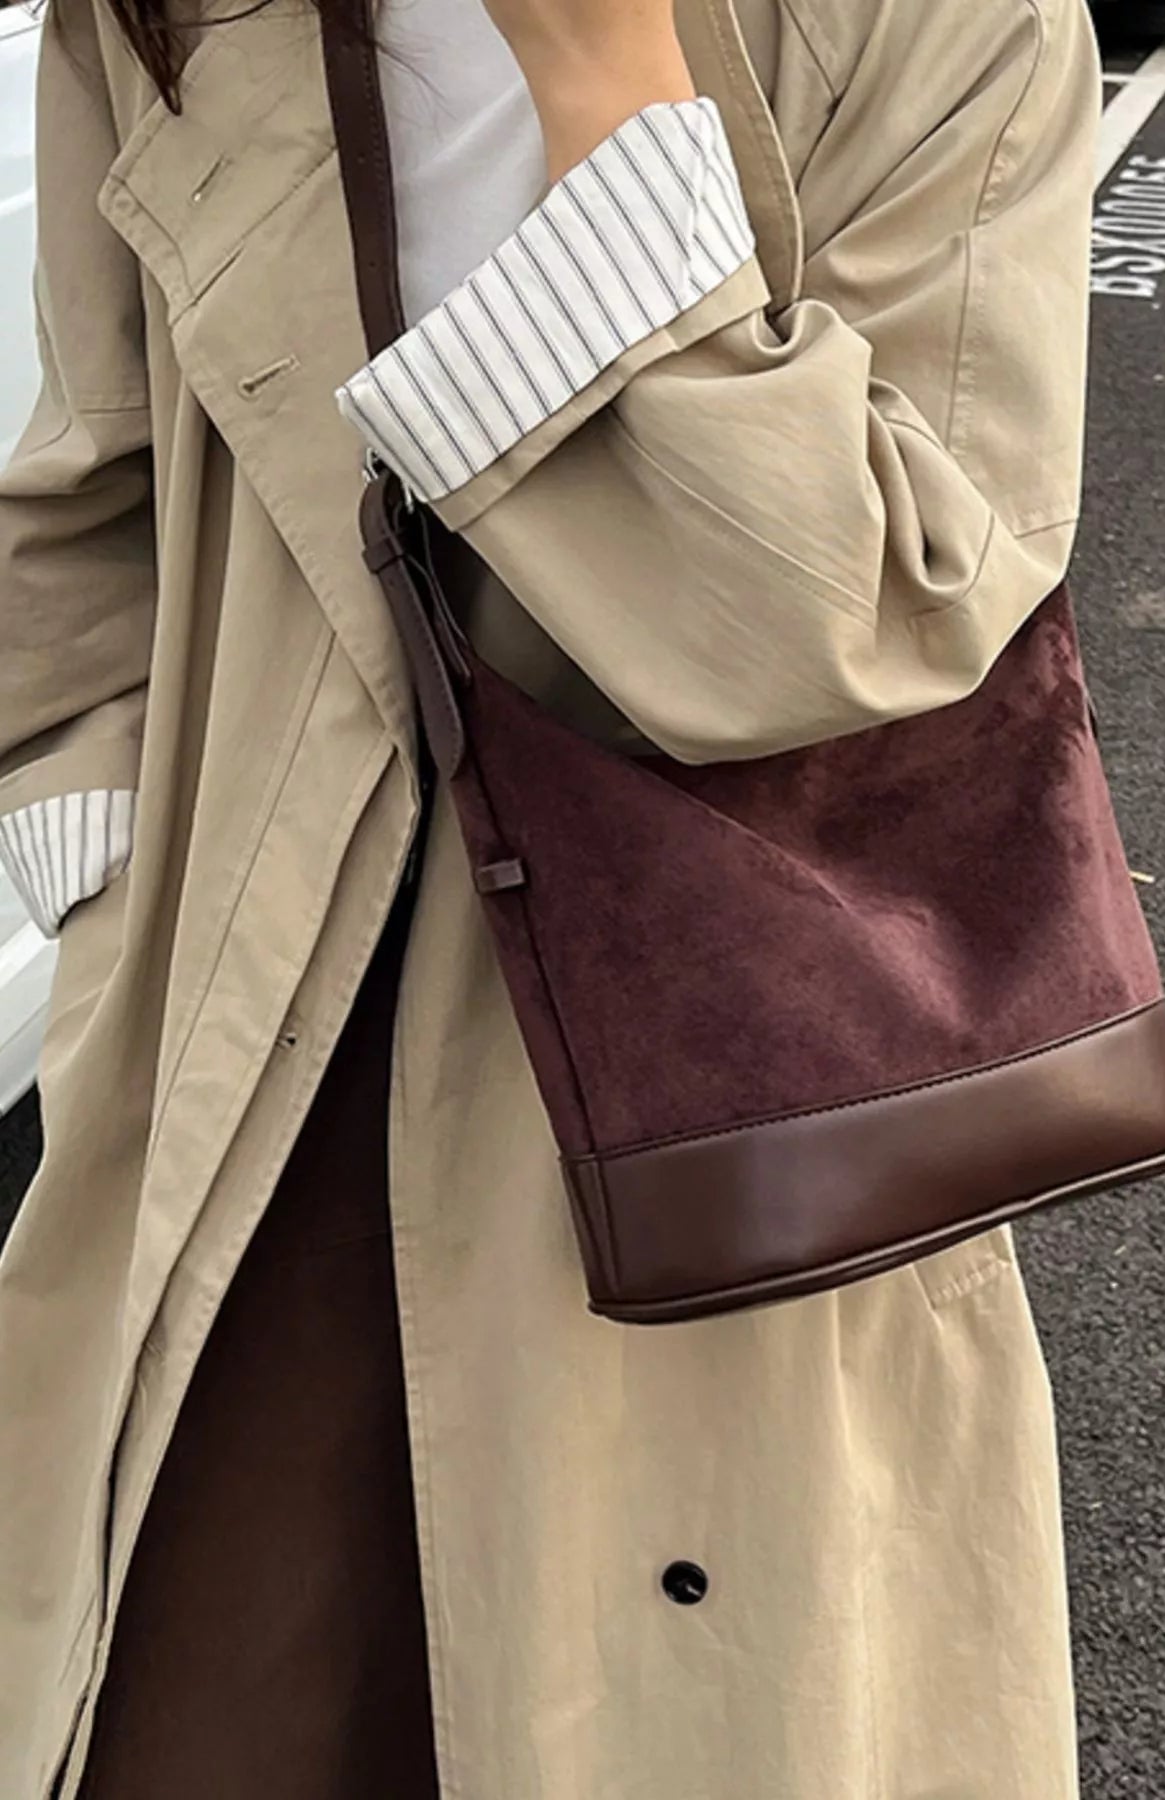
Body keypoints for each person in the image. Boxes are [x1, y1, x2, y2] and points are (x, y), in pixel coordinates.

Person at [0, 0, 1102, 1793]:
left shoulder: (933, 20)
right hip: (248, 1086)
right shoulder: (173, 18)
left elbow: (882, 614)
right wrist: (116, 904)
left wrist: (602, 81)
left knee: (683, 1697)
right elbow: (89, 487)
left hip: (721, 1082)